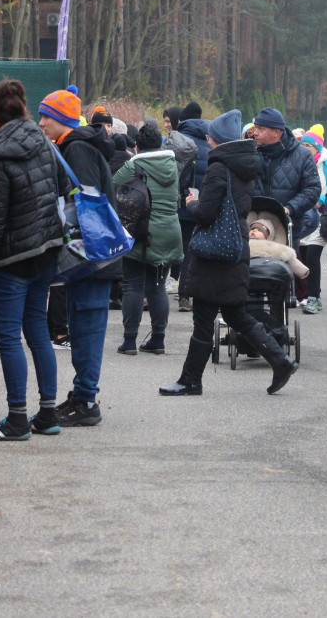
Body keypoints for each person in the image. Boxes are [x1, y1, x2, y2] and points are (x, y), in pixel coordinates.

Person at [159, 109, 299, 397]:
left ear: (218, 140)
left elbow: (207, 213)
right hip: (234, 248)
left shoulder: (219, 167)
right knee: (237, 315)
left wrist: (191, 203)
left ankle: (190, 380)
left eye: (210, 136)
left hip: (214, 255)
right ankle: (280, 360)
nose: (207, 139)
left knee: (204, 319)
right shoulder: (244, 166)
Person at [0, 79, 64, 441]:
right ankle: (48, 413)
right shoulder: (44, 143)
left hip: (13, 259)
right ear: (23, 108)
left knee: (8, 337)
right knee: (37, 330)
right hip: (46, 250)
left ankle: (17, 419)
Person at [38, 84, 118, 427]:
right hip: (92, 258)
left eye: (46, 116)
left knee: (85, 329)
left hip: (92, 257)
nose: (41, 122)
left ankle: (86, 402)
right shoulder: (76, 146)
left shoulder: (77, 149)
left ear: (61, 119)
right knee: (83, 327)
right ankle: (81, 395)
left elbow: (83, 204)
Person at [113, 121, 182, 356]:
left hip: (140, 230)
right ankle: (158, 340)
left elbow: (112, 186)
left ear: (137, 147)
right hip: (170, 231)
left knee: (132, 285)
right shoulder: (173, 165)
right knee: (158, 286)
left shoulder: (133, 166)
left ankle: (130, 341)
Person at [251, 107, 321, 244]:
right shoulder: (249, 153)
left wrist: (289, 208)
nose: (255, 133)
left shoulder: (302, 155)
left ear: (276, 132)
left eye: (261, 129)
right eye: (255, 128)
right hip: (253, 228)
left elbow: (312, 189)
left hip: (286, 229)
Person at [297, 127, 327, 314]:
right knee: (302, 257)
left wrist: (322, 201)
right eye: (303, 145)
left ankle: (314, 297)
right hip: (300, 217)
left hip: (321, 218)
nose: (305, 148)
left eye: (309, 145)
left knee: (313, 258)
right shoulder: (296, 163)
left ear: (317, 148)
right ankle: (304, 296)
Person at [175, 102, 211, 312]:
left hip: (176, 203)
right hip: (200, 203)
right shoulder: (209, 140)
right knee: (193, 250)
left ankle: (153, 292)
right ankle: (186, 295)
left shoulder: (177, 140)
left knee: (170, 248)